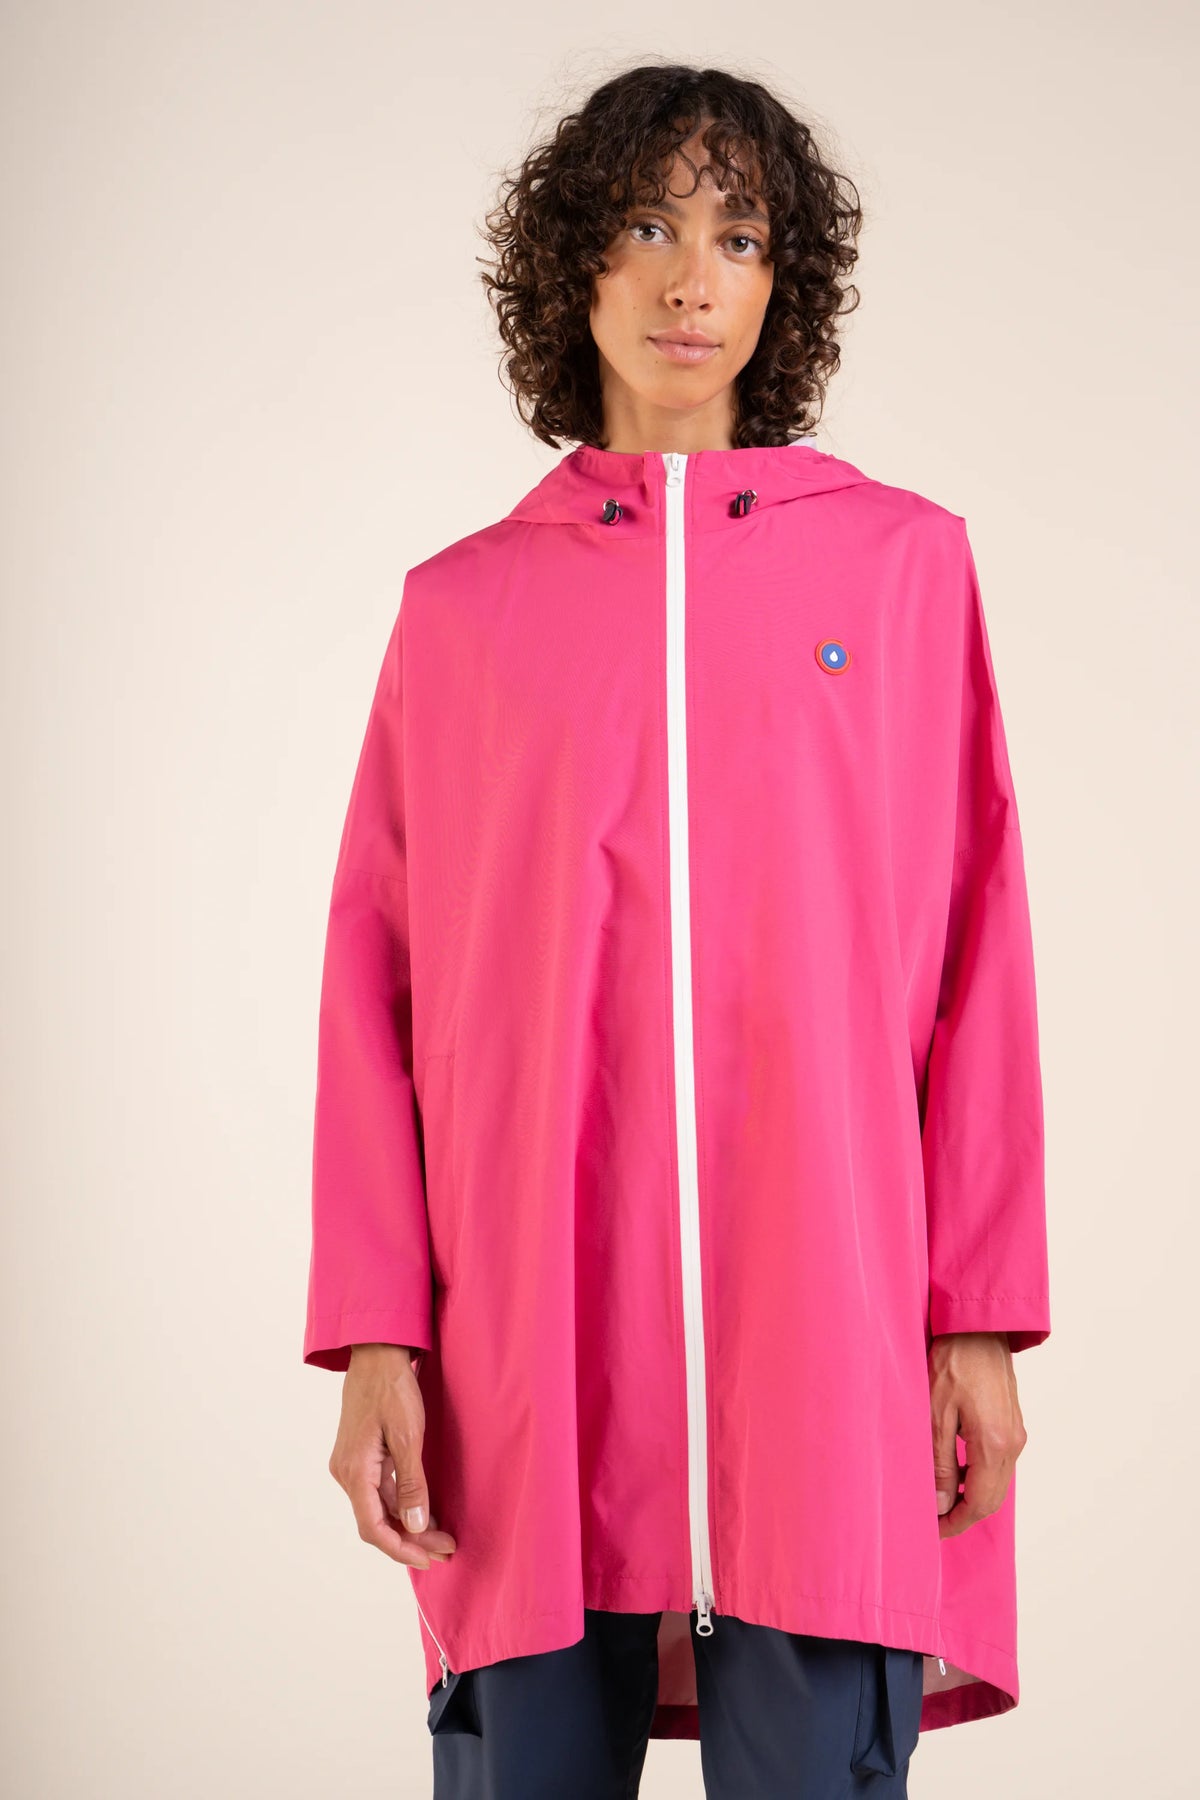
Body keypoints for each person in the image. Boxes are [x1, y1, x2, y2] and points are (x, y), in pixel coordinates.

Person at [302, 63, 1052, 1800]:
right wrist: (378, 1333)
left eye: (738, 236)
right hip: (526, 1346)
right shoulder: (464, 610)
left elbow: (980, 953)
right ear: (574, 263)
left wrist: (977, 1316)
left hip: (828, 1331)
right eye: (646, 225)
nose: (691, 279)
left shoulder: (900, 573)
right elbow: (373, 989)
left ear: (785, 284)